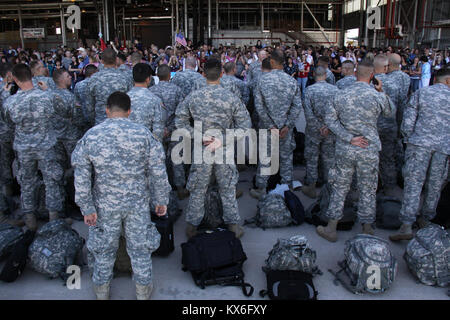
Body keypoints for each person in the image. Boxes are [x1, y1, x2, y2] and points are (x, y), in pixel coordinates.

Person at [72, 91, 170, 300]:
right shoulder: (144, 134)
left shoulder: (92, 135)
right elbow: (158, 172)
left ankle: (102, 292)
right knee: (140, 249)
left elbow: (81, 176)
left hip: (104, 205)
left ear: (107, 110)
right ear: (129, 111)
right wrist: (161, 200)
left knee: (104, 249)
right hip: (137, 203)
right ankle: (143, 292)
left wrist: (86, 207)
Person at [317, 60, 393, 242]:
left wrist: (348, 137)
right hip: (368, 148)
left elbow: (330, 120)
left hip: (346, 148)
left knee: (339, 186)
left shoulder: (341, 94)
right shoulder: (377, 95)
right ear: (372, 76)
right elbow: (390, 113)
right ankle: (366, 228)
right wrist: (381, 91)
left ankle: (332, 227)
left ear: (355, 74)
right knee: (367, 188)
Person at [175, 57, 251, 239]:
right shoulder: (231, 97)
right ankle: (233, 226)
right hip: (223, 149)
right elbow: (245, 125)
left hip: (203, 148)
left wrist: (199, 136)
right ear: (222, 74)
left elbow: (180, 121)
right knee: (227, 188)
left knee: (198, 189)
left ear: (203, 74)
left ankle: (192, 228)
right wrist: (223, 139)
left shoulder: (194, 97)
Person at [390, 68, 450, 241]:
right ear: (447, 81)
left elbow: (407, 123)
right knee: (435, 186)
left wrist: (409, 141)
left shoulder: (421, 93)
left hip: (419, 145)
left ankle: (406, 225)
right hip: (443, 149)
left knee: (413, 185)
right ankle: (426, 222)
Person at [4, 64, 65, 231]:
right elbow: (61, 111)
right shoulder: (46, 97)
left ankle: (30, 220)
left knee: (27, 181)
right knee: (51, 180)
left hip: (24, 148)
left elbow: (8, 123)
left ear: (15, 79)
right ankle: (54, 220)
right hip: (45, 145)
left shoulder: (11, 101)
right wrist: (48, 91)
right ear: (32, 76)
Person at [250, 49, 303, 199]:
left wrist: (270, 126)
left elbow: (259, 106)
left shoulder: (262, 80)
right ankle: (286, 188)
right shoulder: (291, 81)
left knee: (265, 158)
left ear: (272, 61)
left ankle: (261, 188)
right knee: (286, 158)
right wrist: (287, 125)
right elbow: (297, 106)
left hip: (268, 129)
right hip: (285, 130)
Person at [149, 64, 188, 199]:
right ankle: (180, 189)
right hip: (174, 129)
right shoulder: (177, 90)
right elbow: (182, 112)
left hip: (157, 130)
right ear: (169, 75)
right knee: (177, 159)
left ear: (158, 76)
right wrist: (171, 128)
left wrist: (161, 128)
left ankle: (162, 190)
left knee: (159, 160)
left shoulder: (151, 91)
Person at [301, 66, 339, 198]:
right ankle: (329, 188)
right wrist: (328, 126)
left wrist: (318, 127)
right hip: (330, 130)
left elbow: (308, 112)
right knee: (329, 159)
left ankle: (311, 186)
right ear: (326, 75)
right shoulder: (335, 90)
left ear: (313, 75)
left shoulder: (309, 90)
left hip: (313, 131)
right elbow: (338, 112)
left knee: (312, 158)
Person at [87, 48, 133, 125]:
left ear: (102, 61)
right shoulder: (125, 77)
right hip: (122, 121)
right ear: (116, 60)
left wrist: (92, 120)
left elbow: (89, 104)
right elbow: (131, 99)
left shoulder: (94, 79)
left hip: (100, 122)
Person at [74, 64, 98, 131]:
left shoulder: (78, 85)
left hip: (83, 116)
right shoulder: (96, 84)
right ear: (94, 73)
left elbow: (77, 103)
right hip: (96, 116)